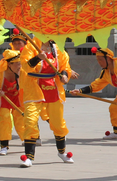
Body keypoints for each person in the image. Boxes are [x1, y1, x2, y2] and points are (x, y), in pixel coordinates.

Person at [19, 35, 77, 167]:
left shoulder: (58, 49)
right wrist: (37, 58)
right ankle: (29, 157)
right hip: (33, 87)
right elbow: (25, 66)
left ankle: (62, 152)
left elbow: (65, 66)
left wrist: (64, 76)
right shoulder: (31, 47)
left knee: (58, 122)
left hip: (53, 88)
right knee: (30, 121)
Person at [0, 48, 24, 155]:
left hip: (18, 99)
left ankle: (28, 141)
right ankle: (4, 146)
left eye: (20, 63)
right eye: (16, 64)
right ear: (9, 65)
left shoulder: (23, 72)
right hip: (3, 100)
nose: (19, 66)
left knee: (21, 119)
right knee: (5, 119)